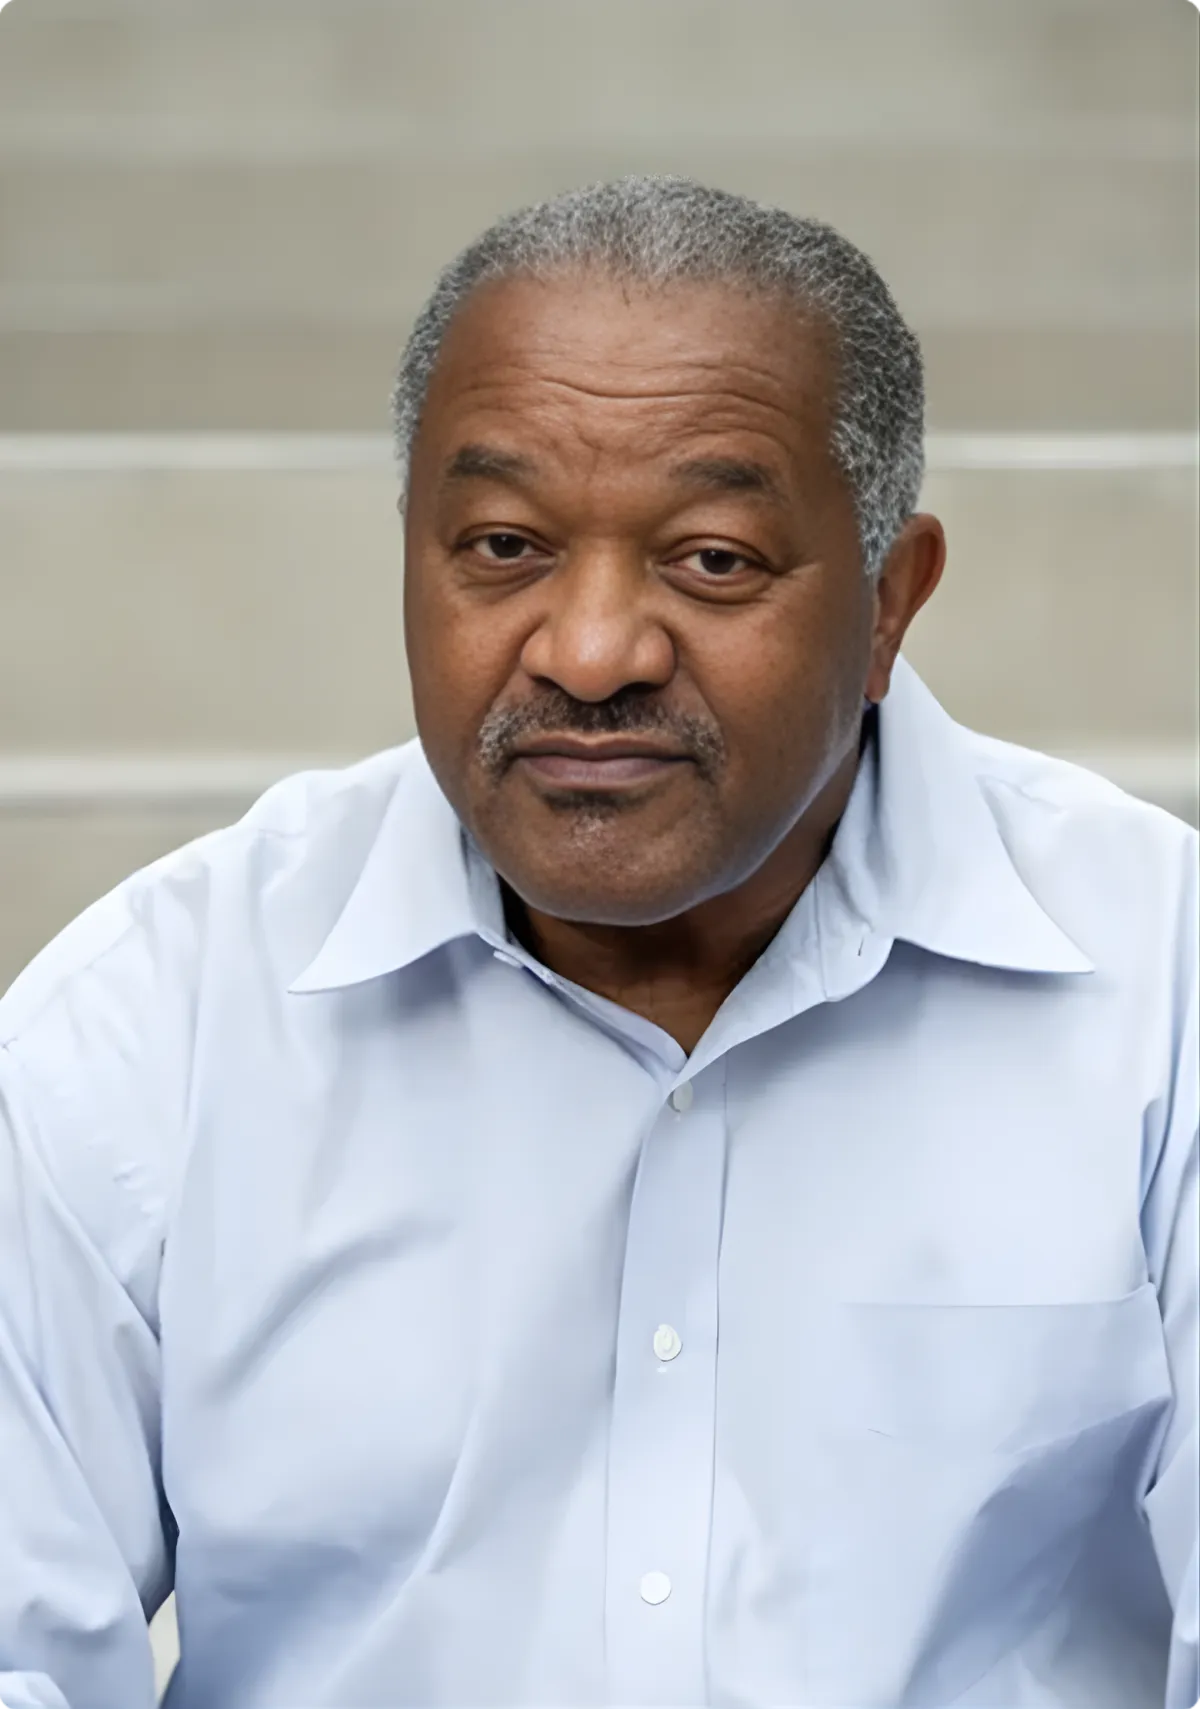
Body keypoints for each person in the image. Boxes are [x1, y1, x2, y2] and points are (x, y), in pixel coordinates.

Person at [0, 175, 1195, 1709]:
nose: (587, 652)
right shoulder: (151, 1024)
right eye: (504, 546)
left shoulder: (1159, 989)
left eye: (713, 559)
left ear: (891, 599)